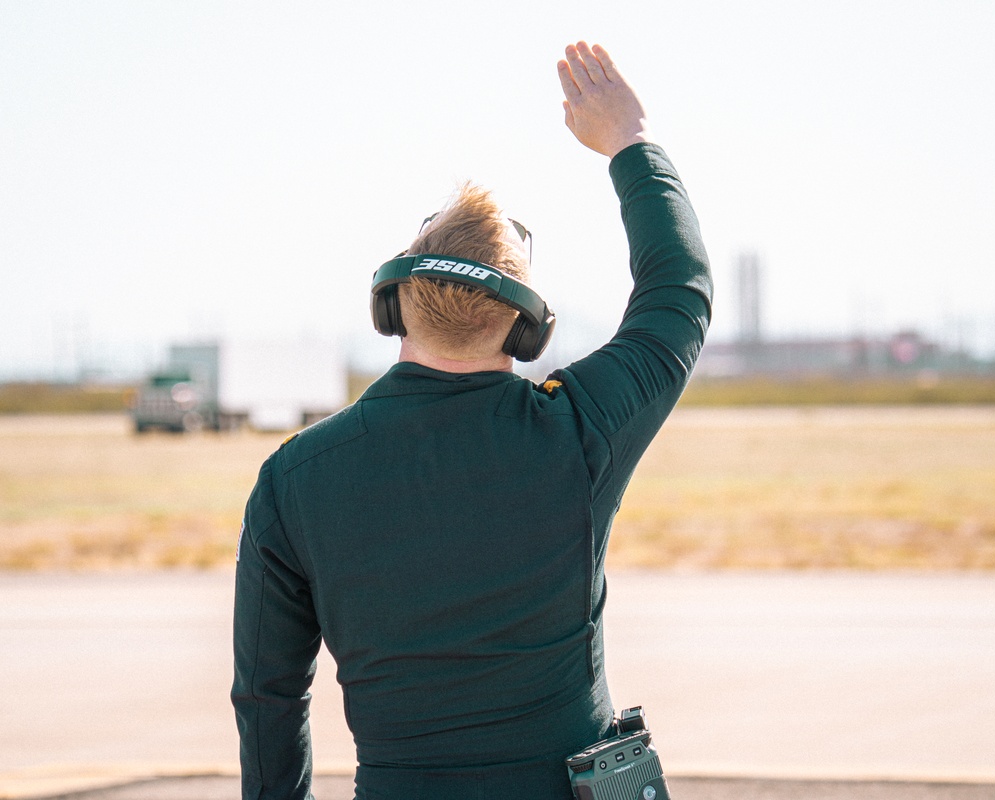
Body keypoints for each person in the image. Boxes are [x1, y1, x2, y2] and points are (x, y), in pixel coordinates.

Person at [231, 41, 713, 800]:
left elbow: (268, 697)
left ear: (391, 309)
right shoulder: (575, 434)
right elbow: (678, 293)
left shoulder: (293, 478)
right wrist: (631, 141)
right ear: (528, 330)